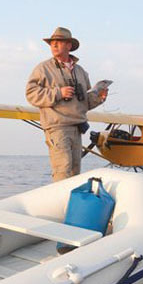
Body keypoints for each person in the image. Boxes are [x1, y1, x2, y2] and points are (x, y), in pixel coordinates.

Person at [25, 27, 108, 181]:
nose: (54, 46)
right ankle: (59, 204)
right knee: (62, 172)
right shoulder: (43, 69)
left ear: (69, 46)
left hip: (78, 128)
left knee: (74, 173)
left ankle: (69, 204)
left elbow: (84, 102)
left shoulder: (81, 71)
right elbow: (31, 94)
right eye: (52, 43)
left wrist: (99, 97)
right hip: (57, 127)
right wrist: (58, 93)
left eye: (59, 42)